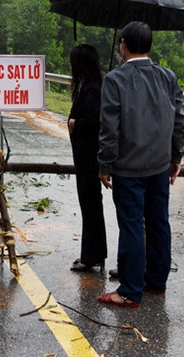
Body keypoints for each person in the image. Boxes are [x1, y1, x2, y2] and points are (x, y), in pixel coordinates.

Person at [96, 21, 184, 309]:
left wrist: (104, 164)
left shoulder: (114, 80)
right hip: (160, 166)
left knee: (132, 225)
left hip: (129, 168)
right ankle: (156, 282)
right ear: (149, 46)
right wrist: (176, 157)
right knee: (159, 223)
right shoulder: (168, 77)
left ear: (122, 44)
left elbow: (109, 129)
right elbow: (179, 121)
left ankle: (130, 290)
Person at [67, 44, 107, 272]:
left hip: (89, 158)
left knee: (90, 205)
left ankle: (91, 257)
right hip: (85, 157)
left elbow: (94, 122)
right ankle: (94, 254)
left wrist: (74, 123)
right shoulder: (89, 86)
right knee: (90, 205)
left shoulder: (92, 90)